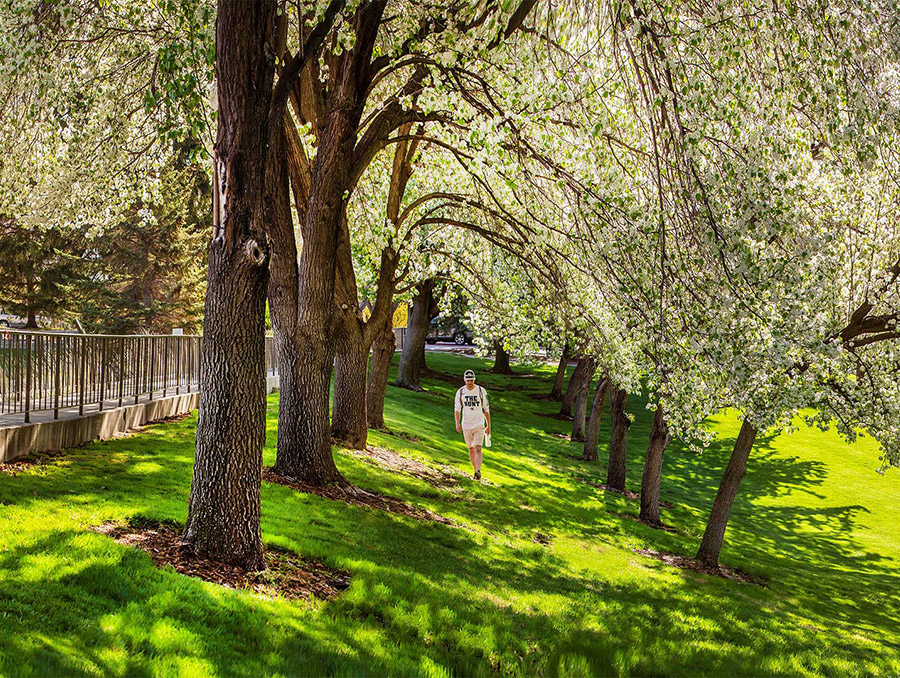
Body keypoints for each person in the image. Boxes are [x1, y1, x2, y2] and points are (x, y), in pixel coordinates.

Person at [454, 369, 491, 480]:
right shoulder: (460, 392)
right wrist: (457, 423)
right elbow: (457, 409)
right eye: (468, 380)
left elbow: (486, 408)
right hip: (466, 425)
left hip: (479, 424)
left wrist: (488, 425)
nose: (470, 383)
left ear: (474, 380)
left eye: (471, 380)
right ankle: (475, 471)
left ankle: (478, 470)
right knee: (471, 448)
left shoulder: (480, 391)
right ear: (464, 380)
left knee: (478, 448)